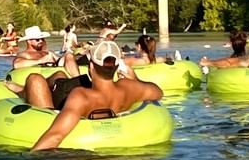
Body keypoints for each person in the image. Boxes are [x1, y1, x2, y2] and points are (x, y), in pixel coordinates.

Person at [31, 40, 164, 151]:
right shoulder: (129, 87)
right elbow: (158, 92)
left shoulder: (82, 96)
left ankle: (20, 90)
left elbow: (56, 136)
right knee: (59, 78)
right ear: (116, 67)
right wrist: (135, 78)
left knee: (36, 80)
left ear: (91, 67)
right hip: (116, 157)